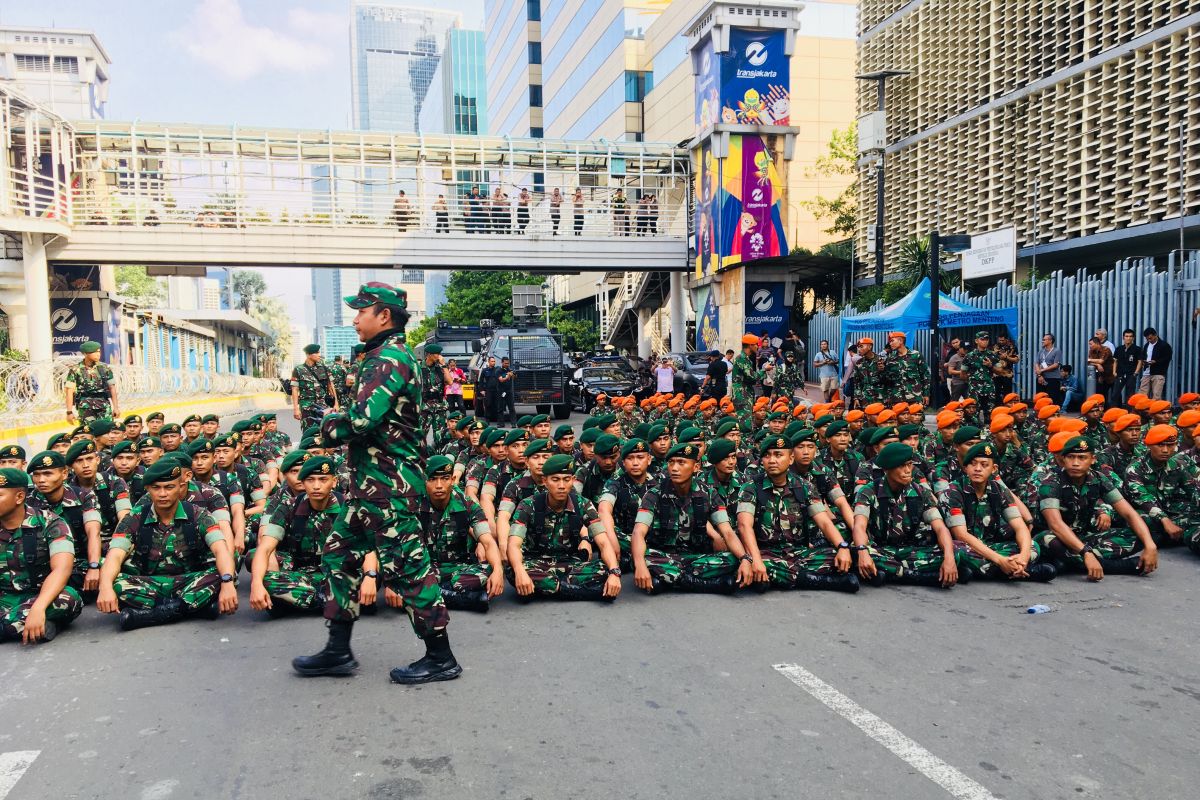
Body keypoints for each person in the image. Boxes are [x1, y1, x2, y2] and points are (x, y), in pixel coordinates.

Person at [293, 282, 462, 684]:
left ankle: (440, 656)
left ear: (383, 315)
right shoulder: (382, 355)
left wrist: (326, 426)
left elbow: (360, 420)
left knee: (409, 569)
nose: (354, 319)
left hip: (390, 487)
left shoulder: (389, 358)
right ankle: (338, 649)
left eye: (361, 311)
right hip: (369, 486)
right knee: (338, 554)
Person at [96, 459, 238, 630]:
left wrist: (228, 583)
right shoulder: (135, 517)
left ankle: (151, 615)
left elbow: (221, 550)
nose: (162, 494)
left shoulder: (198, 515)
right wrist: (104, 588)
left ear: (180, 487)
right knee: (111, 578)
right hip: (150, 582)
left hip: (190, 579)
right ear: (148, 489)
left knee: (225, 571)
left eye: (169, 487)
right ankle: (193, 607)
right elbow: (115, 555)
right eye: (156, 488)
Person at [733, 436, 860, 592]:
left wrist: (842, 547)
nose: (772, 460)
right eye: (767, 455)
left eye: (778, 455)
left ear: (791, 458)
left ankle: (781, 577)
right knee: (742, 563)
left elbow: (824, 522)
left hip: (798, 553)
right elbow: (744, 526)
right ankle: (824, 580)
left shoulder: (803, 486)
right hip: (765, 553)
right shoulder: (751, 487)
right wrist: (757, 561)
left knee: (852, 556)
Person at [1032, 436, 1158, 580]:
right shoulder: (1051, 482)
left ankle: (1069, 562)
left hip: (1082, 536)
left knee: (1141, 534)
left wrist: (1150, 545)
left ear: (1093, 459)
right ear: (1063, 459)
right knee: (1050, 539)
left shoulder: (1098, 478)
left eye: (1082, 458)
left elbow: (1129, 513)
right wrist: (1086, 552)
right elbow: (1055, 525)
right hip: (1053, 538)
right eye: (1070, 457)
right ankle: (1111, 566)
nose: (1075, 463)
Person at [506, 454, 622, 601]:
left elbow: (604, 542)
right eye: (555, 480)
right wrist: (520, 571)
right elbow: (513, 545)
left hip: (570, 563)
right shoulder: (528, 505)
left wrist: (614, 572)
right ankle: (582, 592)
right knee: (513, 570)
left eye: (566, 480)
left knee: (604, 569)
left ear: (572, 481)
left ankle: (548, 589)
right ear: (545, 481)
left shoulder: (583, 504)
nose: (561, 485)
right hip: (536, 563)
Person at [850, 443, 963, 587]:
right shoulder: (869, 491)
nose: (907, 470)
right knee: (856, 551)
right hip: (881, 549)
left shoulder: (921, 492)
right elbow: (859, 526)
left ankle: (890, 573)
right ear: (886, 469)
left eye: (909, 465)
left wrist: (949, 558)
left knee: (957, 550)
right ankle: (921, 576)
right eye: (901, 466)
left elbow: (940, 527)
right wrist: (862, 551)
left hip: (910, 551)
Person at [941, 443, 1056, 581]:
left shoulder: (999, 490)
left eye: (984, 465)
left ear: (994, 469)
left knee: (1032, 545)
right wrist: (1000, 560)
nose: (978, 469)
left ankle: (1012, 568)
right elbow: (961, 535)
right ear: (965, 468)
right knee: (956, 550)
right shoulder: (953, 490)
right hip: (968, 546)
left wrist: (1024, 557)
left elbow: (1020, 526)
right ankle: (1022, 572)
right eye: (973, 464)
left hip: (991, 546)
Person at [251, 456, 345, 616]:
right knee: (266, 579)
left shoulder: (348, 506)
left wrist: (371, 575)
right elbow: (265, 548)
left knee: (370, 575)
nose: (316, 486)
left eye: (323, 479)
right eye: (310, 480)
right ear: (303, 482)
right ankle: (329, 601)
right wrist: (256, 584)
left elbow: (369, 547)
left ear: (334, 481)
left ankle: (297, 602)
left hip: (340, 571)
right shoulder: (288, 507)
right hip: (303, 574)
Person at [0, 468, 83, 644]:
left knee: (69, 598)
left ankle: (20, 624)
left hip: (41, 596)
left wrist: (38, 608)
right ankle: (31, 627)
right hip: (4, 598)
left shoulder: (51, 522)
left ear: (19, 497)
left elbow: (62, 569)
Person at [65, 341, 119, 424]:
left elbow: (112, 388)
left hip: (103, 405)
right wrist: (69, 412)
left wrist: (116, 407)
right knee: (88, 432)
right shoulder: (76, 370)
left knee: (106, 431)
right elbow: (69, 391)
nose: (98, 354)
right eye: (95, 352)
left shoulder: (104, 368)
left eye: (99, 351)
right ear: (86, 354)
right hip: (85, 407)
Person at [291, 344, 339, 428]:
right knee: (308, 431)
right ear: (308, 355)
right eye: (316, 353)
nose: (319, 355)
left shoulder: (324, 368)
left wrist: (336, 403)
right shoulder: (298, 369)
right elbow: (295, 389)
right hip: (307, 407)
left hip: (323, 405)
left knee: (326, 430)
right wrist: (296, 408)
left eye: (319, 352)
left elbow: (331, 385)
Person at [883, 331, 928, 405]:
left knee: (916, 416)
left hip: (914, 396)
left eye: (892, 341)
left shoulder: (915, 355)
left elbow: (925, 375)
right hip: (896, 398)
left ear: (900, 341)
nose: (890, 344)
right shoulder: (890, 358)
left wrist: (926, 394)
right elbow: (888, 380)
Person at [1112, 329, 1143, 406]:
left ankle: (1129, 413)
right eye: (1126, 336)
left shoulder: (1137, 349)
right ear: (1123, 337)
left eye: (1130, 336)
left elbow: (1140, 361)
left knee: (1130, 395)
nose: (1128, 338)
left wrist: (1135, 373)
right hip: (1120, 374)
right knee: (1115, 394)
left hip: (1131, 374)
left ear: (1133, 338)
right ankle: (1116, 411)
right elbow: (1115, 361)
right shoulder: (1119, 349)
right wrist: (1114, 372)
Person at [1139, 327, 1171, 400]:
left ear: (1155, 335)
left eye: (1150, 338)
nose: (1149, 340)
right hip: (1146, 372)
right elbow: (1144, 355)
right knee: (1142, 395)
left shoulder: (1164, 345)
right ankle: (1142, 410)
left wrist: (1156, 362)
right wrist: (1144, 362)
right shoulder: (1147, 345)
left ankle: (1156, 411)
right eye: (1147, 339)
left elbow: (1167, 358)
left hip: (1158, 373)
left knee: (1156, 395)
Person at [1034, 333, 1064, 405]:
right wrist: (1039, 375)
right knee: (1040, 397)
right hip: (1041, 378)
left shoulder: (1057, 351)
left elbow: (1056, 365)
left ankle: (1054, 413)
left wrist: (1042, 370)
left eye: (1044, 340)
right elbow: (1036, 363)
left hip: (1052, 378)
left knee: (1053, 398)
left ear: (1050, 341)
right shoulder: (1041, 351)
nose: (1042, 341)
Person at [480, 356, 500, 422]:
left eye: (494, 361)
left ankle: (497, 419)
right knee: (488, 404)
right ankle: (487, 419)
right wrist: (482, 390)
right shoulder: (485, 370)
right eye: (492, 361)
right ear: (488, 362)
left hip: (496, 390)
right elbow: (481, 381)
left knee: (497, 404)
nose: (493, 363)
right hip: (488, 390)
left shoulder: (497, 370)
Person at [841, 341, 860, 406]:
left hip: (854, 379)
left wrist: (843, 382)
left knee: (853, 396)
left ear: (850, 352)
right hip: (863, 379)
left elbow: (849, 371)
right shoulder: (862, 357)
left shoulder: (853, 359)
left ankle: (851, 409)